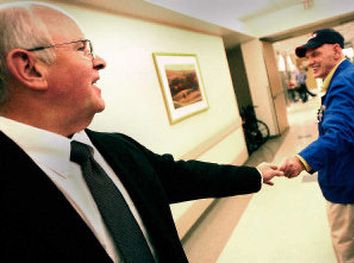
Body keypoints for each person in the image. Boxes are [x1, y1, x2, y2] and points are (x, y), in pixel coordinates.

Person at [0, 2, 284, 262]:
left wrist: (255, 174)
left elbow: (183, 177)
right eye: (81, 48)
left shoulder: (117, 149)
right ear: (30, 68)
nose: (99, 61)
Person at [279, 28, 354, 262]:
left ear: (336, 50)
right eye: (308, 57)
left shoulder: (343, 83)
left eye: (316, 54)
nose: (310, 62)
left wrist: (300, 161)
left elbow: (339, 134)